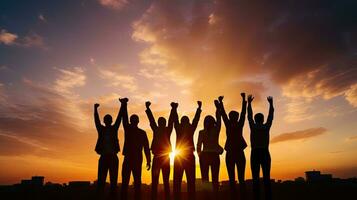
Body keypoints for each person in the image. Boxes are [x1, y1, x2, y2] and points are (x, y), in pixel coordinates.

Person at [120, 98, 151, 200]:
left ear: (136, 121)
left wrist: (148, 160)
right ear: (137, 121)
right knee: (130, 182)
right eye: (132, 120)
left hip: (134, 158)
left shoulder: (139, 132)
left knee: (134, 182)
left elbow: (146, 147)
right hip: (131, 158)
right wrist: (124, 105)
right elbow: (124, 118)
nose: (132, 122)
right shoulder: (132, 130)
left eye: (133, 120)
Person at [218, 93, 247, 198]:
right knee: (239, 178)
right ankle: (238, 196)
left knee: (236, 178)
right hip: (235, 152)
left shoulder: (232, 124)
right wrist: (244, 100)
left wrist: (221, 102)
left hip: (234, 152)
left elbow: (224, 114)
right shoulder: (235, 124)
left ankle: (237, 196)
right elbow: (225, 114)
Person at [145, 101, 176, 200]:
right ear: (159, 123)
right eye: (160, 122)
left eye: (162, 122)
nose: (161, 123)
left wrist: (173, 109)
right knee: (155, 181)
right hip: (158, 157)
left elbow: (171, 121)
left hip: (165, 158)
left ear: (163, 123)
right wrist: (148, 109)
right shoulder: (157, 129)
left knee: (165, 181)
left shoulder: (167, 130)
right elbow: (152, 120)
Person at [172, 101, 202, 200]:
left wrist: (175, 109)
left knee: (188, 182)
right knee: (183, 182)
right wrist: (174, 109)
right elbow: (195, 120)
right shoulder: (185, 128)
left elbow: (195, 120)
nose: (185, 122)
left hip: (184, 156)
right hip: (182, 156)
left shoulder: (185, 128)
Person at [248, 95, 274, 200]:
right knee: (266, 178)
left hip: (255, 153)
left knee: (256, 178)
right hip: (264, 152)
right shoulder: (266, 126)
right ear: (262, 119)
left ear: (255, 119)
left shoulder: (253, 126)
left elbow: (249, 116)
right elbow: (271, 116)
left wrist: (249, 103)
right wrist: (271, 104)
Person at [94, 99, 122, 196]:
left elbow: (119, 118)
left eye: (109, 119)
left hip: (113, 157)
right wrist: (95, 109)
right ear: (105, 121)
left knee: (113, 182)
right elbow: (96, 121)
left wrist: (122, 105)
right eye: (106, 119)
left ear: (111, 121)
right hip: (104, 157)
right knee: (101, 181)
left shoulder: (114, 129)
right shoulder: (101, 129)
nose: (108, 121)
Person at [196, 99, 223, 194]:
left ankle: (207, 196)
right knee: (215, 178)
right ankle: (215, 195)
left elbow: (198, 145)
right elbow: (219, 120)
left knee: (205, 179)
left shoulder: (202, 132)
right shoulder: (216, 130)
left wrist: (200, 155)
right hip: (214, 155)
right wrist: (218, 108)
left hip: (205, 155)